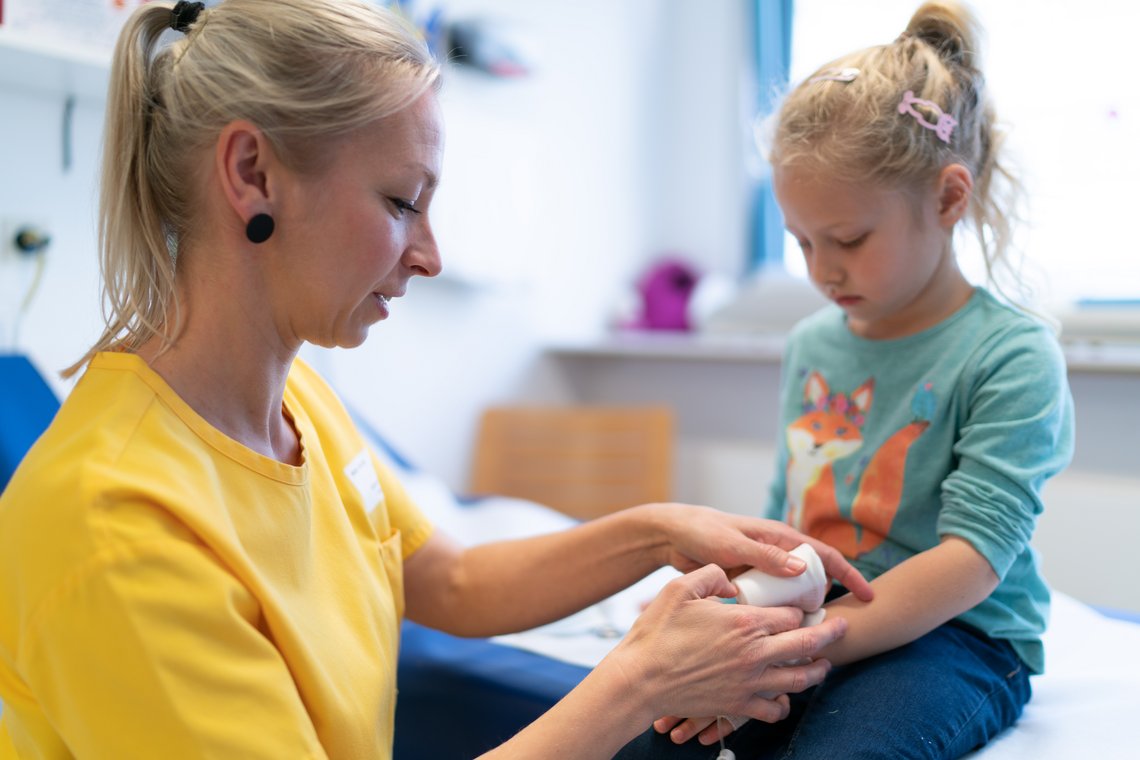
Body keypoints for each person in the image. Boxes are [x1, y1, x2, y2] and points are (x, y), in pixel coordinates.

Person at [0, 2, 876, 758]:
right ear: (253, 173)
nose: (429, 254)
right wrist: (640, 680)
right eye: (399, 202)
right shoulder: (112, 522)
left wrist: (656, 531)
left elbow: (452, 582)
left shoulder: (297, 405)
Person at [617, 2, 1075, 758]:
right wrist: (735, 610)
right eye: (801, 241)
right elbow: (787, 511)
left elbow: (972, 561)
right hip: (815, 612)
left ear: (949, 198)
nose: (822, 270)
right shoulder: (813, 343)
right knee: (645, 734)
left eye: (850, 240)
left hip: (956, 637)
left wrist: (798, 644)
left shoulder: (1010, 354)